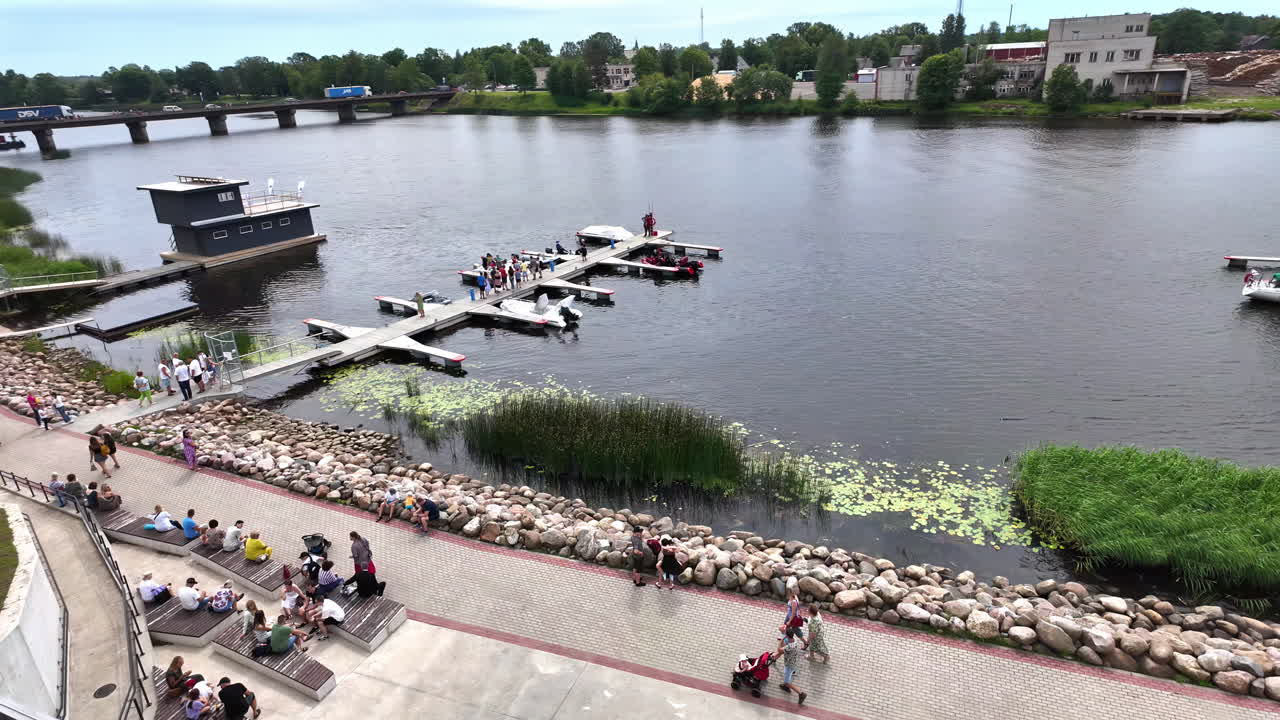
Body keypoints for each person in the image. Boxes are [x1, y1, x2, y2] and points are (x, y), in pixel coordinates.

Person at [777, 627, 807, 705]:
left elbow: (779, 650)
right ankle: (785, 686)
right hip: (793, 661)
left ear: (787, 636)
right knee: (787, 674)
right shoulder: (795, 640)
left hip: (789, 664)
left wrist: (781, 640)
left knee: (787, 681)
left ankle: (801, 693)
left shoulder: (789, 646)